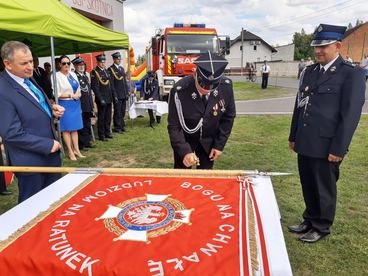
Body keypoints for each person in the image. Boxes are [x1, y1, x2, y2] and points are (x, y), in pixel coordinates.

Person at [288, 24, 366, 243]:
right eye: (316, 47)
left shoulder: (352, 74)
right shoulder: (310, 71)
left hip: (327, 145)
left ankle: (321, 226)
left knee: (324, 187)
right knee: (308, 183)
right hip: (305, 141)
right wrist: (294, 136)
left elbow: (350, 116)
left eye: (323, 47)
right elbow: (299, 106)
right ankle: (310, 218)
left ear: (338, 46)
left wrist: (338, 148)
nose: (318, 51)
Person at [0, 41, 64, 203]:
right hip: (30, 162)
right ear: (7, 64)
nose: (30, 66)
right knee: (33, 208)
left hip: (50, 157)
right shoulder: (2, 89)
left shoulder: (26, 77)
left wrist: (51, 109)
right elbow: (11, 133)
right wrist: (47, 145)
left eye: (31, 61)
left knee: (55, 204)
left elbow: (33, 103)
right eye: (24, 63)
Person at [168, 52, 236, 169]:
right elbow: (174, 125)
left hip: (209, 141)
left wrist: (219, 145)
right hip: (185, 140)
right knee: (181, 174)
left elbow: (228, 118)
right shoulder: (180, 90)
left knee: (205, 176)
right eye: (202, 84)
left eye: (212, 86)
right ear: (195, 74)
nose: (206, 90)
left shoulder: (226, 87)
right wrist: (184, 151)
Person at [54, 55, 84, 161]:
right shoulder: (56, 76)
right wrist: (71, 95)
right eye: (64, 63)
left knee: (74, 129)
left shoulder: (73, 74)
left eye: (68, 63)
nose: (66, 65)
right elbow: (56, 93)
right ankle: (70, 152)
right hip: (64, 104)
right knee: (66, 129)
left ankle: (77, 150)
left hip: (75, 104)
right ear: (59, 65)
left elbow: (78, 88)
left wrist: (78, 94)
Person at [72, 57, 95, 150]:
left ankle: (87, 141)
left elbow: (88, 91)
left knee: (87, 123)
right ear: (75, 66)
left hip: (87, 103)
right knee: (81, 125)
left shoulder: (85, 75)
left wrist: (91, 104)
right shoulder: (75, 76)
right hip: (81, 104)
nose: (81, 67)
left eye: (82, 65)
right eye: (79, 65)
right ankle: (82, 144)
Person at [91, 54, 114, 141]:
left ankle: (107, 132)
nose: (103, 63)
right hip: (102, 99)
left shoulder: (106, 71)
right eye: (101, 62)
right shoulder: (94, 72)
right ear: (97, 62)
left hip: (108, 97)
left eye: (104, 62)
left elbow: (110, 85)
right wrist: (100, 99)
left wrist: (113, 96)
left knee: (108, 117)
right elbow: (95, 87)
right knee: (102, 117)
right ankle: (102, 134)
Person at [109, 52, 129, 133]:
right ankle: (117, 127)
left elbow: (124, 82)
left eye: (120, 58)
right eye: (117, 58)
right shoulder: (111, 69)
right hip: (117, 94)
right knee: (117, 112)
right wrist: (115, 95)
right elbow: (112, 84)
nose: (119, 60)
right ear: (114, 59)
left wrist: (126, 92)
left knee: (123, 111)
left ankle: (122, 125)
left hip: (123, 94)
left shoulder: (121, 69)